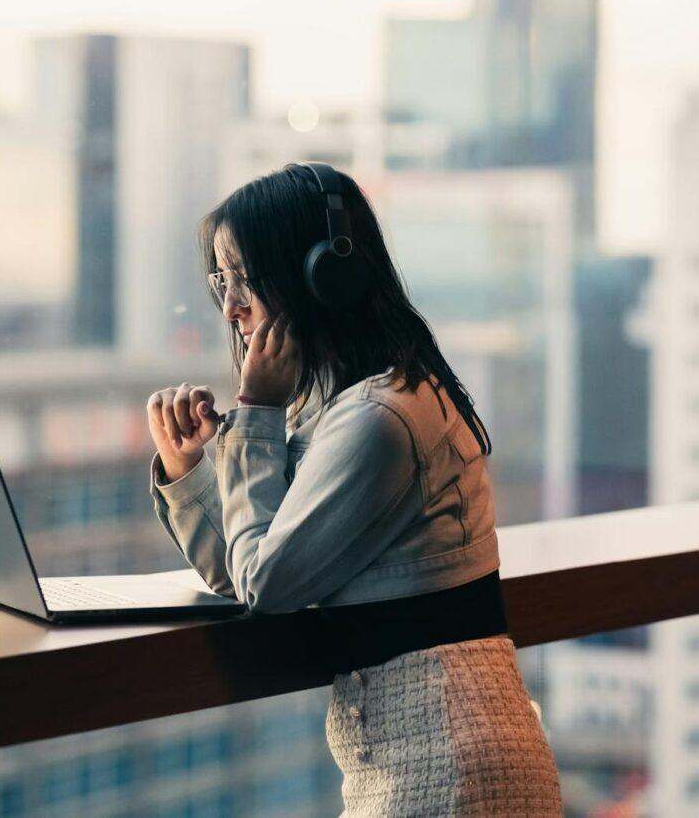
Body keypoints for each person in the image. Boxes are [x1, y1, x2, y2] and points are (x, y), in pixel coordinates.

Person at [145, 163, 563, 816]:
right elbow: (245, 570)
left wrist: (255, 413)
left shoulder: (379, 418)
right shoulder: (339, 409)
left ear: (321, 274)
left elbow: (267, 584)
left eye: (243, 279)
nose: (229, 308)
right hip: (420, 759)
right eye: (219, 282)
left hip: (446, 766)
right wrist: (188, 469)